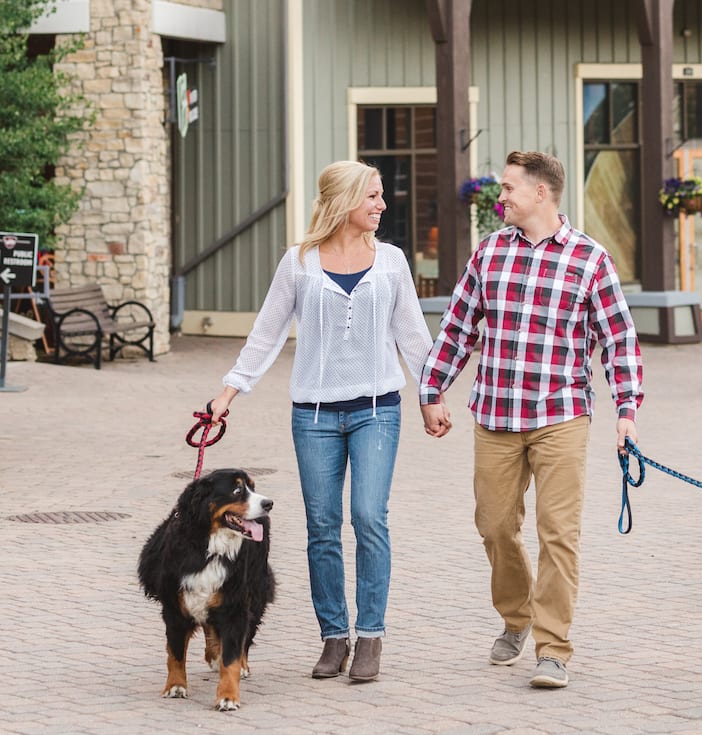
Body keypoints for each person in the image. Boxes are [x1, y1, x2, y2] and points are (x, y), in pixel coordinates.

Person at [419, 150, 643, 689]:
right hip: (495, 413)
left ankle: (553, 648)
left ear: (541, 192)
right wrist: (432, 389)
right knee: (495, 526)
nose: (502, 198)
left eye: (510, 189)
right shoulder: (489, 254)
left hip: (561, 416)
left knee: (558, 533)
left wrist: (627, 411)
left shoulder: (591, 259)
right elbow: (457, 329)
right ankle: (517, 614)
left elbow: (619, 340)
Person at [209, 160, 432, 683]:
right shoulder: (300, 262)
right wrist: (228, 392)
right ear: (344, 202)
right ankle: (334, 636)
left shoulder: (393, 261)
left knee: (369, 518)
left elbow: (413, 336)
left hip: (378, 408)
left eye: (381, 196)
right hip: (313, 415)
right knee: (322, 528)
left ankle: (370, 635)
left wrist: (432, 395)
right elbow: (266, 334)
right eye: (372, 197)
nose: (382, 205)